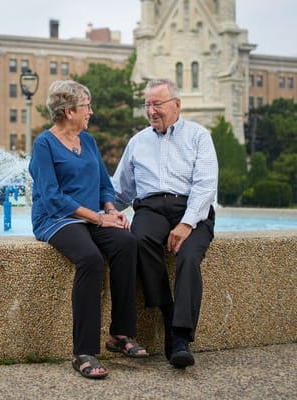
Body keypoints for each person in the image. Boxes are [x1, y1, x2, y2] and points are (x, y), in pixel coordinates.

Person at [29, 80, 148, 380]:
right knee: (90, 259)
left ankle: (120, 334)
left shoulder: (89, 141)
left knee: (126, 243)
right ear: (68, 111)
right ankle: (83, 352)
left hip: (92, 216)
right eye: (86, 107)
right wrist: (97, 219)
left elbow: (104, 185)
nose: (90, 112)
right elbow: (53, 196)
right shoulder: (44, 144)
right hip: (56, 219)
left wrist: (110, 211)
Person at [112, 78, 218, 369]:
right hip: (151, 209)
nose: (151, 110)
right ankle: (169, 312)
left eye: (157, 104)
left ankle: (180, 337)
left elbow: (206, 185)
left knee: (188, 257)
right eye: (147, 104)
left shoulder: (199, 136)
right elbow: (121, 189)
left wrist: (186, 223)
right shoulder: (137, 142)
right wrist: (101, 211)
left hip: (192, 210)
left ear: (176, 105)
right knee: (140, 238)